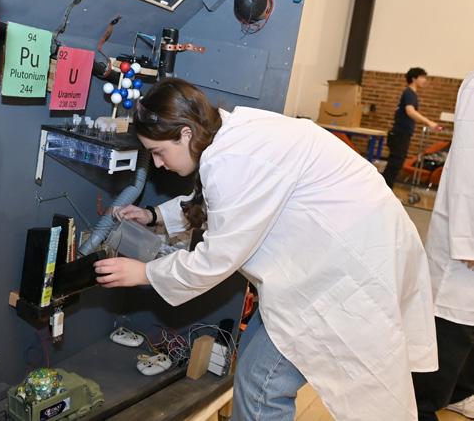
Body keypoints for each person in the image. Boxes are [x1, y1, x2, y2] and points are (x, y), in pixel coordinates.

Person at [94, 78, 437, 420]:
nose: (157, 164)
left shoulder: (232, 159)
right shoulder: (229, 135)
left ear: (185, 134)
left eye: (158, 152)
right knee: (253, 367)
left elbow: (216, 259)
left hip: (344, 273)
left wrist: (145, 273)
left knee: (262, 385)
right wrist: (154, 215)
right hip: (334, 259)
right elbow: (226, 202)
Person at [413, 71, 474, 420]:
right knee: (453, 324)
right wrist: (470, 240)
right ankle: (419, 407)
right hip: (464, 240)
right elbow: (469, 160)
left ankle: (459, 392)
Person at [382, 67, 441, 188]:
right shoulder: (409, 93)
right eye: (422, 77)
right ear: (414, 78)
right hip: (400, 134)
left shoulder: (411, 93)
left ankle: (384, 190)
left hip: (402, 134)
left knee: (395, 164)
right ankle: (383, 190)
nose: (424, 80)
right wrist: (429, 122)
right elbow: (410, 111)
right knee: (394, 164)